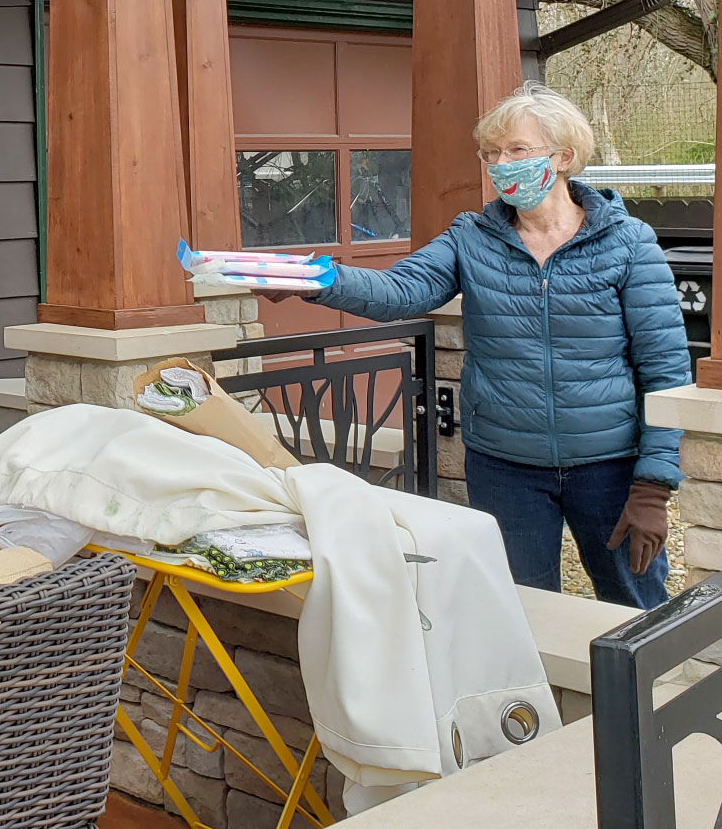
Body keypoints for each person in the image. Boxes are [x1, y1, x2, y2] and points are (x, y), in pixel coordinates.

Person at [278, 82, 689, 608]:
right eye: (491, 154)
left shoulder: (628, 241)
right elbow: (402, 290)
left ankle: (644, 697)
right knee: (518, 612)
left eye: (516, 150)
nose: (500, 164)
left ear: (563, 157)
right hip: (505, 465)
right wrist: (318, 280)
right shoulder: (472, 236)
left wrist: (654, 485)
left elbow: (666, 370)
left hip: (609, 465)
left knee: (637, 610)